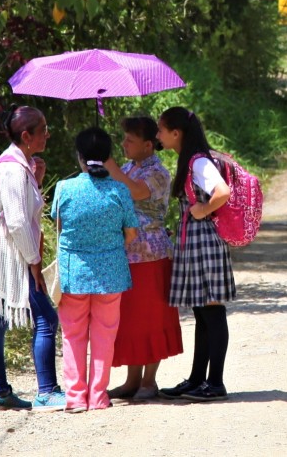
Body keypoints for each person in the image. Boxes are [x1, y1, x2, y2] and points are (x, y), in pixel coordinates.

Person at [0, 105, 65, 411]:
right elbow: (16, 222)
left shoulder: (16, 166)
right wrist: (34, 260)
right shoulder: (13, 170)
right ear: (26, 136)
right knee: (46, 318)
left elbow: (21, 210)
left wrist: (37, 179)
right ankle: (47, 391)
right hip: (14, 256)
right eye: (42, 130)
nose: (47, 135)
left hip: (3, 254)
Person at [51, 127, 139, 412]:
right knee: (104, 335)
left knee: (73, 335)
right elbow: (131, 234)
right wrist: (110, 244)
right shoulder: (119, 190)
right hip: (111, 274)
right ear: (108, 157)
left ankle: (75, 397)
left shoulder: (65, 188)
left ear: (79, 156)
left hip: (73, 273)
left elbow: (59, 225)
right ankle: (98, 397)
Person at [155, 107, 235, 402]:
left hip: (206, 242)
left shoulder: (199, 162)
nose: (158, 135)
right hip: (197, 242)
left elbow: (222, 192)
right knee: (203, 312)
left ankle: (215, 383)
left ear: (177, 133)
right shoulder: (190, 161)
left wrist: (199, 210)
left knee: (212, 310)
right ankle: (198, 379)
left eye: (161, 130)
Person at [104, 117, 183, 401]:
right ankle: (132, 380)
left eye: (130, 140)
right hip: (127, 253)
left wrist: (111, 167)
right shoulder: (127, 167)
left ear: (148, 146)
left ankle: (149, 381)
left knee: (152, 315)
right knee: (131, 317)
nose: (124, 144)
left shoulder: (158, 172)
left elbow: (136, 191)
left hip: (152, 253)